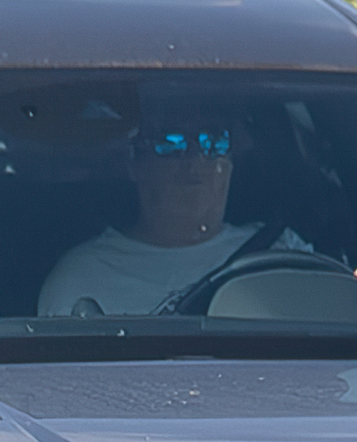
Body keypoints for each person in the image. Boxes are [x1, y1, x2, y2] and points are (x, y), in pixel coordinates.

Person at [37, 125, 310, 316]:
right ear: (134, 165)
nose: (197, 163)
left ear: (230, 163)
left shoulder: (281, 253)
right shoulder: (82, 277)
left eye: (213, 143)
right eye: (171, 144)